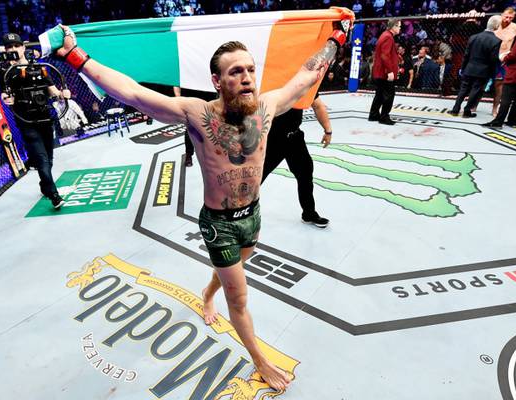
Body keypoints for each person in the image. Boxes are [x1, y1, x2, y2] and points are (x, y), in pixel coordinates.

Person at [55, 16, 351, 390]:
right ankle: (260, 360)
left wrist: (337, 38)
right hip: (219, 224)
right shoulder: (197, 113)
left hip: (252, 216)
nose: (246, 77)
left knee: (233, 271)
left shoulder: (267, 106)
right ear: (217, 81)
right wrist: (76, 57)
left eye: (250, 69)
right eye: (235, 71)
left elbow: (307, 75)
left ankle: (208, 292)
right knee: (239, 299)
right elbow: (132, 93)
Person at [0, 33, 70, 209]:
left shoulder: (38, 67)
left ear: (23, 47)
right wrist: (7, 98)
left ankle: (45, 186)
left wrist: (62, 94)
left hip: (45, 117)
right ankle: (54, 195)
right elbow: (4, 94)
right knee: (42, 159)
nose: (13, 49)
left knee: (48, 158)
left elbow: (53, 91)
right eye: (9, 47)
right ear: (6, 50)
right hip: (26, 121)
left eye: (16, 46)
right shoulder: (5, 71)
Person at [262, 94, 332, 228]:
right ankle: (235, 213)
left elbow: (317, 105)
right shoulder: (267, 83)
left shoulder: (304, 84)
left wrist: (328, 130)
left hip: (294, 137)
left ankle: (309, 213)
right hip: (270, 138)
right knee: (254, 178)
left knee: (305, 174)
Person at [450, 16, 502, 118]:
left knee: (463, 89)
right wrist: (492, 74)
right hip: (483, 71)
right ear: (496, 26)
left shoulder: (473, 37)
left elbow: (466, 55)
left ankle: (455, 109)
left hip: (469, 68)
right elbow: (493, 59)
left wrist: (463, 68)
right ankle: (466, 111)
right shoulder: (496, 41)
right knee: (475, 90)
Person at [491, 7, 516, 117]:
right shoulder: (494, 24)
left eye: (511, 17)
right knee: (481, 82)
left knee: (499, 85)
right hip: (489, 58)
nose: (508, 19)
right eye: (506, 17)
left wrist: (514, 52)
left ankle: (495, 108)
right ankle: (473, 106)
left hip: (503, 60)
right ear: (502, 15)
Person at [173, 86, 217, 167]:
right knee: (191, 126)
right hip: (191, 95)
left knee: (211, 126)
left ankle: (212, 154)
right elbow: (177, 82)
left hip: (208, 94)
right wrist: (178, 97)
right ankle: (189, 154)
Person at [368, 18, 400, 125]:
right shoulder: (388, 37)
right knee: (388, 94)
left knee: (380, 94)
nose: (400, 29)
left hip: (380, 72)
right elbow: (384, 55)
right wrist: (390, 71)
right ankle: (384, 117)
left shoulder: (384, 35)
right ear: (394, 26)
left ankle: (373, 115)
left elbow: (384, 54)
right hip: (384, 73)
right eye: (399, 26)